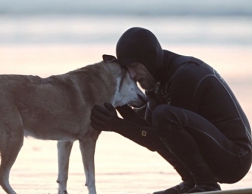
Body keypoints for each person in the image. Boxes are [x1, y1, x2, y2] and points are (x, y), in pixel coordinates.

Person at [90, 27, 252, 194]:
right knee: (159, 117)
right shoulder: (157, 82)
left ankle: (206, 184)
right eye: (126, 69)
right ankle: (191, 181)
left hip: (235, 158)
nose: (131, 75)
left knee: (163, 116)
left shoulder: (186, 74)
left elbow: (159, 138)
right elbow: (149, 132)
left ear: (149, 59)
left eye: (134, 66)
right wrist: (119, 104)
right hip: (217, 153)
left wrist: (117, 125)